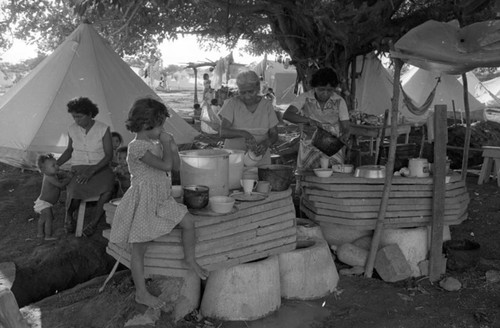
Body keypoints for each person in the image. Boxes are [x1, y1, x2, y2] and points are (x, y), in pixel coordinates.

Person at [109, 97, 208, 310]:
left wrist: (171, 147)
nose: (163, 128)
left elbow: (175, 166)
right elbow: (164, 166)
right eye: (160, 124)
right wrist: (165, 144)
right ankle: (141, 293)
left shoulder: (154, 143)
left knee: (188, 222)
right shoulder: (136, 147)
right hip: (144, 201)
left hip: (161, 198)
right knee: (139, 250)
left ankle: (190, 258)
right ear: (147, 125)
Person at [56, 97, 115, 237]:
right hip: (78, 166)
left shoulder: (103, 129)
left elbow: (108, 155)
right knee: (75, 190)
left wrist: (92, 170)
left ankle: (94, 222)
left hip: (100, 167)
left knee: (108, 188)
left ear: (89, 114)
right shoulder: (71, 129)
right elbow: (69, 151)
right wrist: (55, 164)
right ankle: (69, 215)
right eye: (74, 117)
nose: (76, 120)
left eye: (79, 116)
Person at [283, 67, 350, 169]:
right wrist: (308, 120)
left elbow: (346, 127)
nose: (325, 93)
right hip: (309, 146)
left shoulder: (339, 101)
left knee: (334, 176)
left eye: (329, 90)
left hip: (332, 147)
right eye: (321, 89)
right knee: (306, 178)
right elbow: (287, 115)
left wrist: (345, 135)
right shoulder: (305, 98)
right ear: (314, 87)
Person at [219, 70, 279, 167]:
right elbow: (223, 132)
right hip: (234, 160)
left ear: (258, 88)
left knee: (260, 182)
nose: (247, 96)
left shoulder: (266, 105)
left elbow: (274, 134)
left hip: (260, 159)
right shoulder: (232, 104)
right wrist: (244, 134)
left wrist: (266, 143)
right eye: (243, 92)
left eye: (251, 91)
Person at [34, 154, 73, 241]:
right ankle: (48, 236)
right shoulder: (49, 177)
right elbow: (60, 185)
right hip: (44, 203)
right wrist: (69, 178)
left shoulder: (52, 175)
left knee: (42, 219)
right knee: (49, 218)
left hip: (43, 202)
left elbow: (60, 176)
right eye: (53, 165)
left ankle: (40, 234)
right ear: (44, 170)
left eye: (56, 164)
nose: (57, 166)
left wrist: (65, 175)